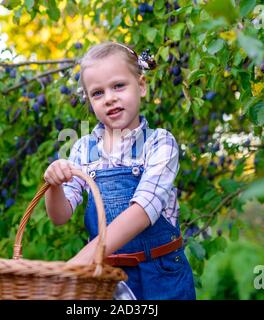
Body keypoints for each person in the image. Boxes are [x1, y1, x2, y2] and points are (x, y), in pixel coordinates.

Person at [44, 41, 196, 300]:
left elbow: (142, 212)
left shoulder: (159, 143)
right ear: (90, 101)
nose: (110, 98)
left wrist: (80, 261)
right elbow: (60, 216)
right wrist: (54, 185)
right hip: (108, 279)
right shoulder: (83, 149)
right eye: (97, 93)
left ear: (142, 85)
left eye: (118, 86)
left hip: (161, 276)